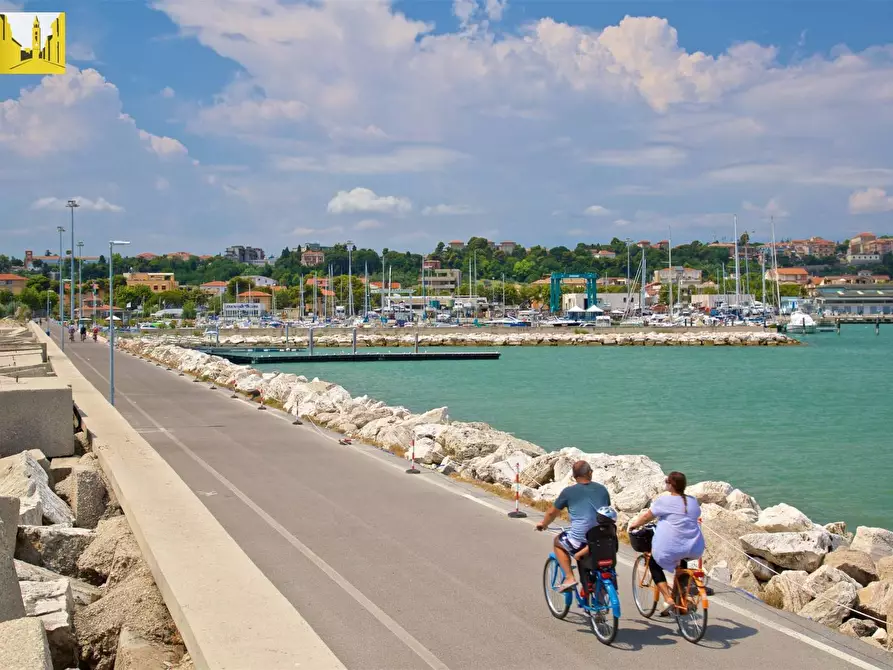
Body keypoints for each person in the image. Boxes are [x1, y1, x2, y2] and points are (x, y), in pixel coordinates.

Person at [628, 471, 705, 616]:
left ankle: (668, 599)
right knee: (681, 561)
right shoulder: (693, 501)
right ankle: (680, 600)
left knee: (654, 563)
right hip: (694, 547)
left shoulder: (664, 501)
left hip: (671, 547)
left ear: (671, 485)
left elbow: (646, 517)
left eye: (667, 482)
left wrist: (633, 525)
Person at [535, 460, 611, 591]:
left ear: (574, 476)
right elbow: (606, 510)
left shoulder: (568, 492)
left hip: (581, 540)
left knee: (557, 542)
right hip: (604, 537)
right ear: (590, 473)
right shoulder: (602, 489)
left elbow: (552, 512)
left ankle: (570, 577)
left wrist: (543, 524)